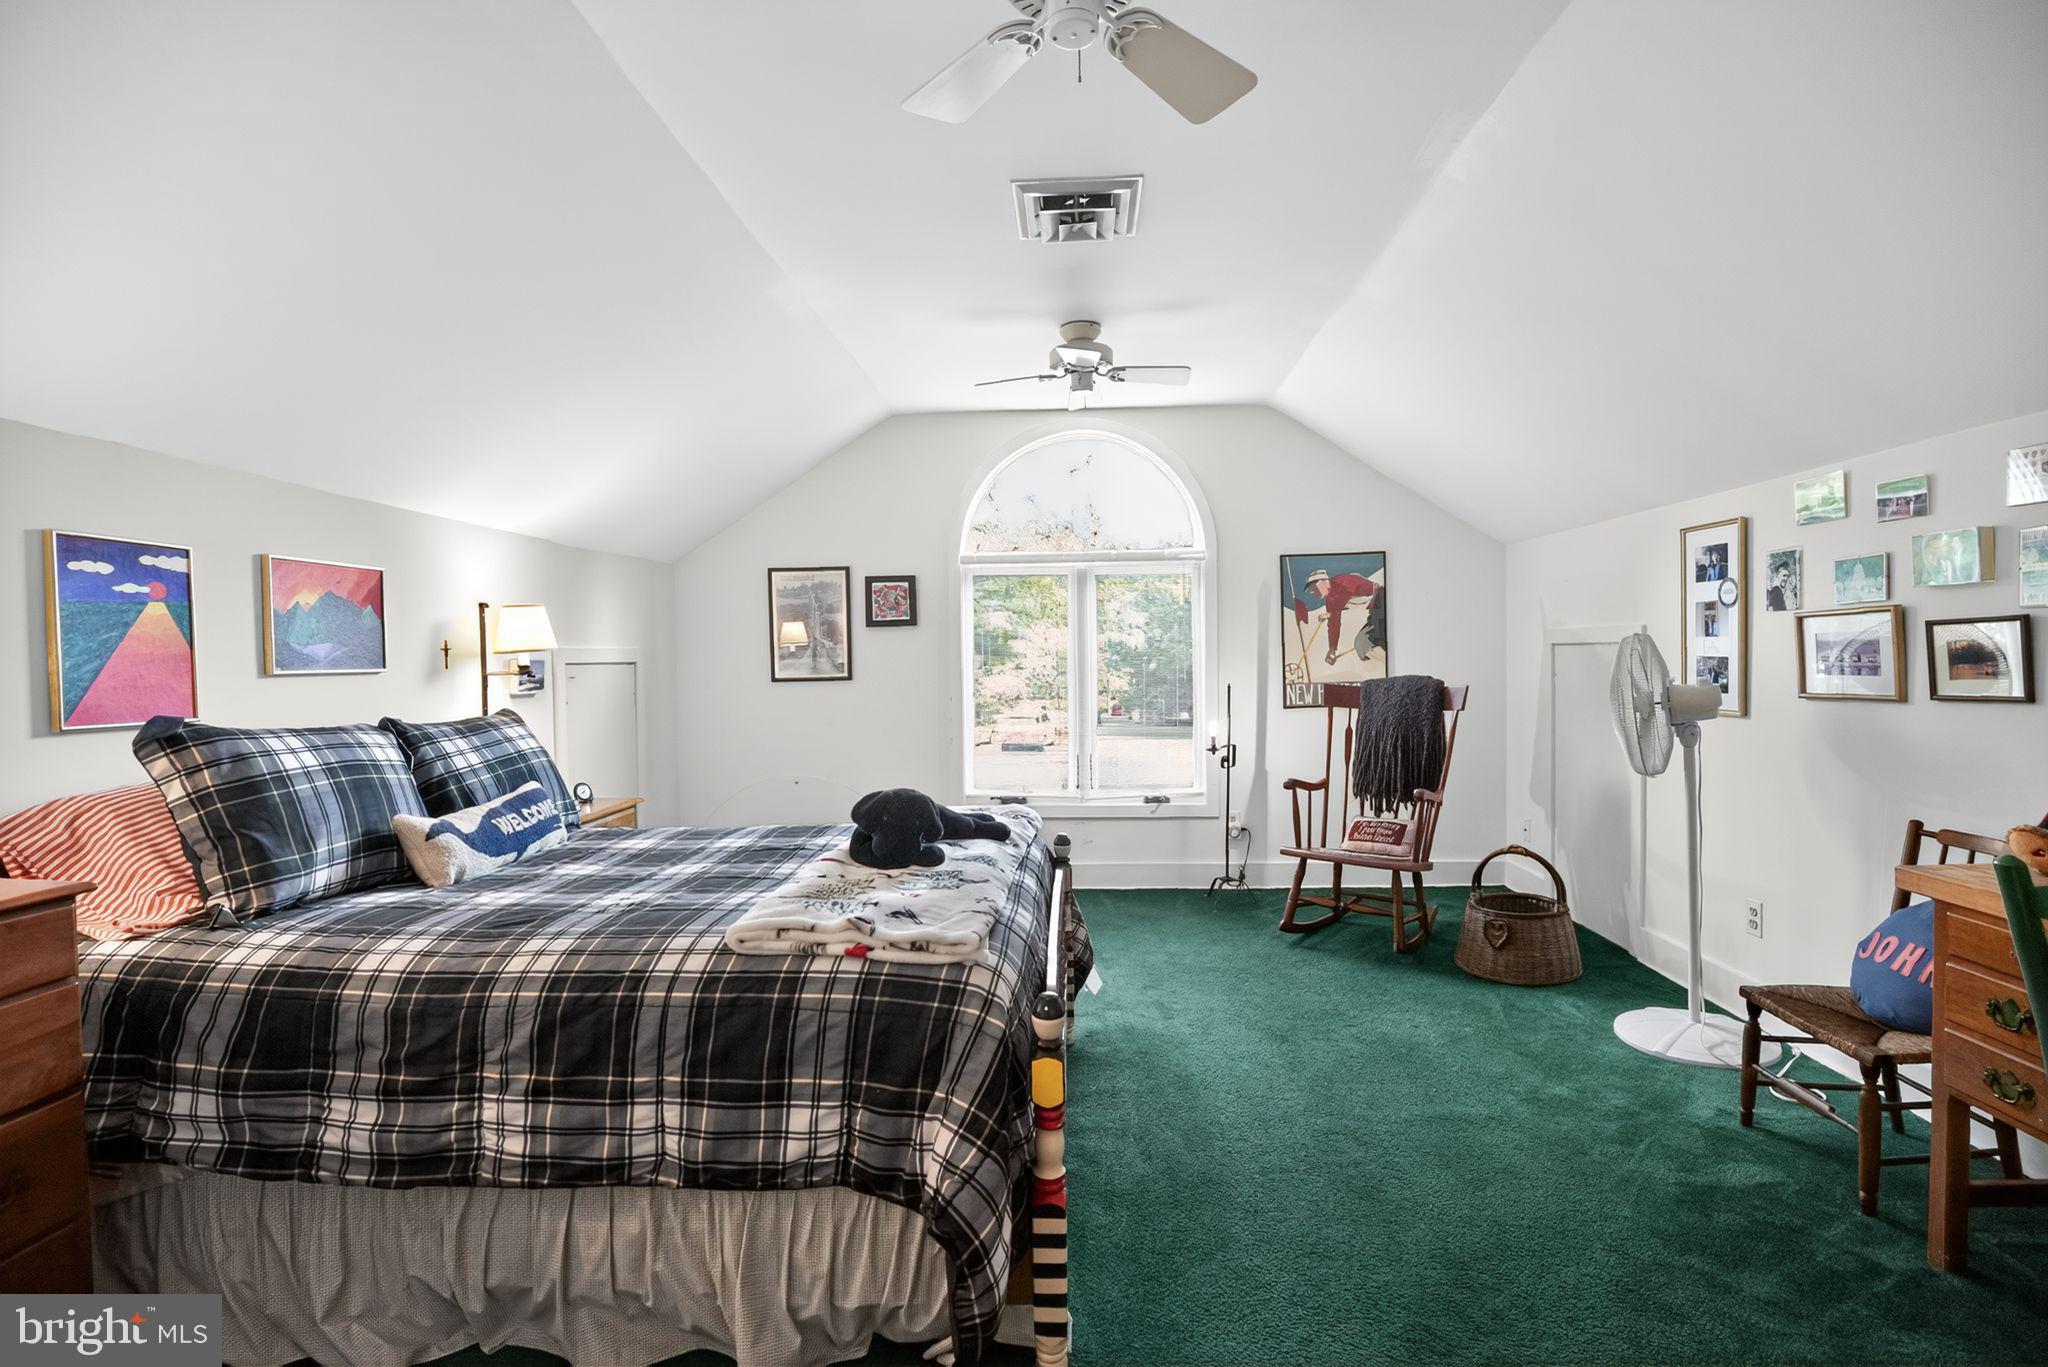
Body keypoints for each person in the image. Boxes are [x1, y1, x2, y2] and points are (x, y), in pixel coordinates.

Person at [1303, 567, 1380, 667]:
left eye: (1313, 587)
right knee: (1361, 646)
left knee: (1367, 642)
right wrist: (1332, 649)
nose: (1313, 592)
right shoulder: (1330, 600)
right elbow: (1334, 626)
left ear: (1323, 581)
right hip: (1374, 610)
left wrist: (1332, 613)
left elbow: (1345, 592)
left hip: (1381, 600)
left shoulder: (1341, 581)